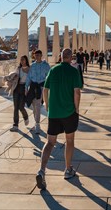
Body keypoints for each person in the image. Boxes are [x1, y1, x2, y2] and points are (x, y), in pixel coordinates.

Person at [36, 48, 82, 191]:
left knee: (50, 142)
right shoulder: (74, 72)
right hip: (69, 112)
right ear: (71, 58)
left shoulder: (53, 70)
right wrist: (76, 108)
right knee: (69, 140)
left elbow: (45, 89)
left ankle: (42, 171)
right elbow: (77, 92)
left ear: (61, 57)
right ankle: (68, 170)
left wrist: (48, 106)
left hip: (54, 113)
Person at [25, 49, 50, 134]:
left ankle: (37, 125)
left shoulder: (46, 65)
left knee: (38, 105)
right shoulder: (32, 66)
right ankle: (36, 123)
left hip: (41, 87)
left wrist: (48, 87)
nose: (37, 57)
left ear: (41, 55)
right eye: (35, 55)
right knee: (33, 106)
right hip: (32, 87)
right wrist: (26, 87)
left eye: (38, 55)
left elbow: (49, 76)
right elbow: (29, 77)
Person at [6, 55, 30, 132]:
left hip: (24, 88)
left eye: (23, 60)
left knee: (21, 107)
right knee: (16, 107)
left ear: (26, 60)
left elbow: (31, 79)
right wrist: (14, 76)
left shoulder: (30, 69)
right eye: (21, 60)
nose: (22, 61)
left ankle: (25, 117)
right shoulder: (18, 69)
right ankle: (15, 125)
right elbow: (14, 76)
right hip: (17, 88)